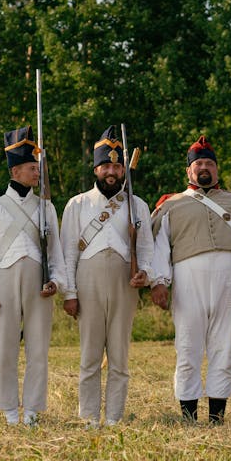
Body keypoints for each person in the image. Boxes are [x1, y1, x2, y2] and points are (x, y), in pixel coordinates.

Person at [150, 136, 231, 425]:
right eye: (198, 164)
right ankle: (189, 418)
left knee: (223, 347)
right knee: (188, 347)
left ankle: (217, 418)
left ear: (216, 169)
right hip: (187, 281)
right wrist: (158, 282)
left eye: (209, 164)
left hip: (228, 283)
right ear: (189, 171)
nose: (204, 168)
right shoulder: (171, 204)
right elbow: (158, 247)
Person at [60, 126, 154, 428]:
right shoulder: (77, 204)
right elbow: (68, 254)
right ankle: (88, 417)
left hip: (125, 280)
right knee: (89, 355)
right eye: (106, 166)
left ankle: (114, 417)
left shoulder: (137, 205)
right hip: (88, 279)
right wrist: (70, 293)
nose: (111, 171)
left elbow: (147, 249)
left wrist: (145, 274)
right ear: (96, 168)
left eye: (116, 165)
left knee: (119, 356)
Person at [0, 126, 66, 426]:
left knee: (38, 348)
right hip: (5, 280)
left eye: (37, 167)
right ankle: (10, 409)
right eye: (31, 167)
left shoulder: (46, 208)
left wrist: (57, 281)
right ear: (15, 171)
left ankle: (32, 410)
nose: (37, 172)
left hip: (40, 283)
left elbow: (56, 252)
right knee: (6, 348)